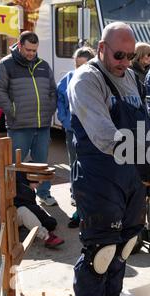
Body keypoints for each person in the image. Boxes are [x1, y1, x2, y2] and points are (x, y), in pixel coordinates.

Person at [67, 22, 150, 296]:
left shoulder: (133, 78)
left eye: (130, 56)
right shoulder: (87, 80)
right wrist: (142, 158)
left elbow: (143, 125)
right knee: (100, 254)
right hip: (99, 177)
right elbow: (103, 134)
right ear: (101, 48)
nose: (124, 62)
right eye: (118, 55)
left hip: (131, 178)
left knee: (124, 248)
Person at [0, 31, 58, 206]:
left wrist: (50, 110)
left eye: (34, 50)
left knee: (41, 162)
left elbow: (53, 90)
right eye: (28, 49)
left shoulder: (43, 65)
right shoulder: (5, 65)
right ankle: (17, 197)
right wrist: (12, 111)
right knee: (16, 165)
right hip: (19, 125)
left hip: (42, 124)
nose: (31, 54)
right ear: (19, 45)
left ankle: (44, 193)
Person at [56, 46, 95, 228]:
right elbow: (61, 102)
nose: (80, 69)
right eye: (78, 65)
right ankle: (75, 194)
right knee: (74, 163)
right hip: (73, 130)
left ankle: (89, 199)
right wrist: (66, 122)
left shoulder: (97, 80)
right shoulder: (67, 79)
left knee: (90, 165)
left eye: (84, 65)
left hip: (91, 131)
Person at [0, 172, 64, 248]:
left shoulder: (18, 182)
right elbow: (37, 213)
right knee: (24, 211)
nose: (40, 183)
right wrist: (51, 222)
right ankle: (47, 237)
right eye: (38, 181)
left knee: (26, 216)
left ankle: (22, 232)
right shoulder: (22, 190)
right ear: (30, 179)